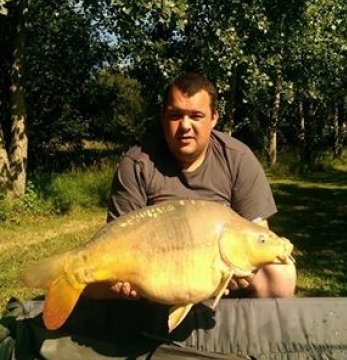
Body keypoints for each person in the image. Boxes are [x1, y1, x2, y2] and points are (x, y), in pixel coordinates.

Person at [85, 72, 296, 300]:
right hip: (155, 274)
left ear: (214, 118)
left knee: (280, 274)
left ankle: (247, 331)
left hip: (219, 271)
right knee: (92, 283)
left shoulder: (238, 158)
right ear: (163, 116)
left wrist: (244, 269)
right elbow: (117, 237)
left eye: (196, 116)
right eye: (176, 115)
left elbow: (259, 235)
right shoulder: (137, 163)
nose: (185, 126)